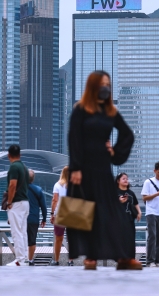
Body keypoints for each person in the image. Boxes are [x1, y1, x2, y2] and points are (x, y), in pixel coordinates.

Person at [68, 70, 141, 271]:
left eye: (108, 84)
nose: (105, 87)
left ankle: (123, 257)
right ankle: (90, 257)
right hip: (83, 169)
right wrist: (75, 168)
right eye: (102, 84)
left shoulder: (110, 111)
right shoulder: (81, 109)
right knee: (84, 213)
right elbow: (74, 138)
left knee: (114, 214)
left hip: (102, 169)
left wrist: (115, 152)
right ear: (93, 86)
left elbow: (127, 134)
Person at [4, 144, 30, 266]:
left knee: (16, 232)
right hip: (25, 202)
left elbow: (12, 185)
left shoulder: (14, 167)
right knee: (23, 232)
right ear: (20, 154)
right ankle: (25, 258)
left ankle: (19, 260)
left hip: (17, 203)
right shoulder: (24, 167)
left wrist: (9, 201)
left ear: (8, 155)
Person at [141, 162, 159, 267]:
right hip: (151, 212)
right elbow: (144, 198)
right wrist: (158, 193)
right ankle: (150, 261)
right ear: (155, 171)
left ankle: (156, 261)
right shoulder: (148, 182)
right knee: (152, 236)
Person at [116, 173, 141, 261]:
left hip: (129, 220)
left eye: (127, 178)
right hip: (118, 220)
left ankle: (131, 259)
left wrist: (139, 212)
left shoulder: (131, 193)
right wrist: (119, 201)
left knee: (130, 240)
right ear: (118, 181)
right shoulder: (114, 192)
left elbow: (136, 203)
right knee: (120, 240)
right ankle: (121, 259)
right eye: (123, 179)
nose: (126, 180)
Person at [26, 169, 48, 265]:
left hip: (21, 219)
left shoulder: (20, 189)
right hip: (33, 219)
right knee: (32, 241)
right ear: (33, 179)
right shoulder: (38, 190)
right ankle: (30, 260)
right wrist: (44, 219)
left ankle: (21, 259)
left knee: (21, 240)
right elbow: (43, 207)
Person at [50, 166, 69, 266]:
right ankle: (70, 261)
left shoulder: (57, 185)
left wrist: (52, 214)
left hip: (60, 214)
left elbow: (54, 200)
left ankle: (56, 260)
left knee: (58, 238)